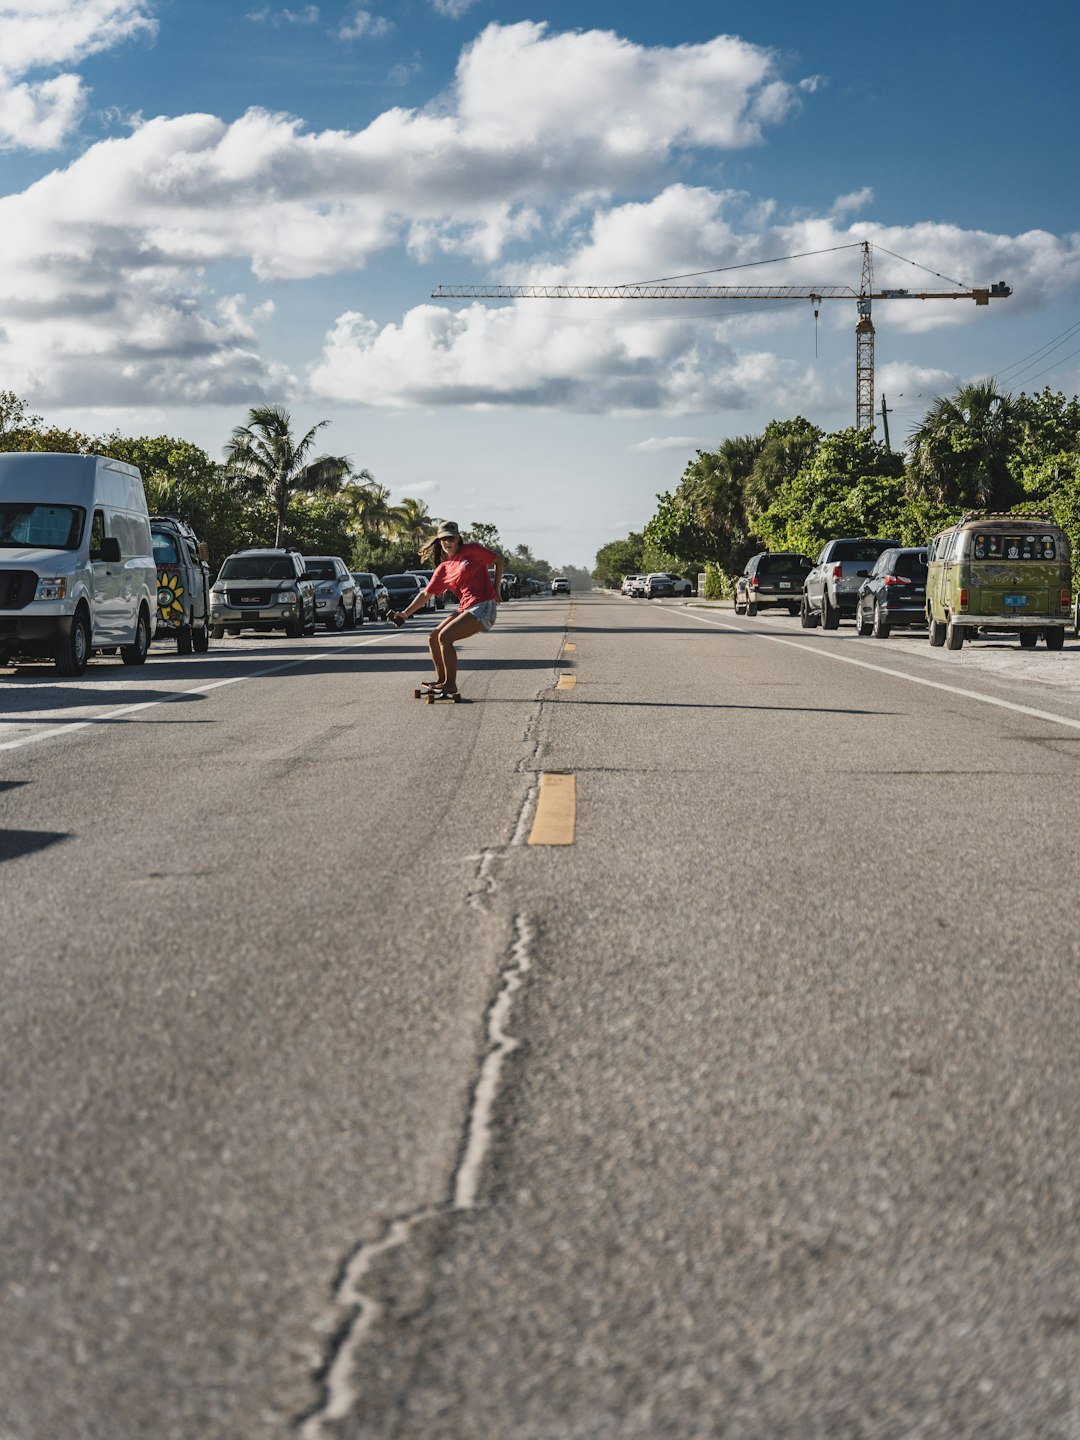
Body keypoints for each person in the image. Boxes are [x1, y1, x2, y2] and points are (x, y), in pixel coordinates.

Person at [387, 521, 503, 697]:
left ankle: (450, 684)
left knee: (445, 637)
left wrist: (496, 588)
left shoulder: (471, 550)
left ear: (458, 539)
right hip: (466, 608)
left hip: (484, 606)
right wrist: (404, 614)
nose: (448, 541)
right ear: (439, 541)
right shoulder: (444, 568)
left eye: (451, 537)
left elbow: (499, 560)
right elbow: (426, 594)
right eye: (444, 538)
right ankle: (442, 680)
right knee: (433, 637)